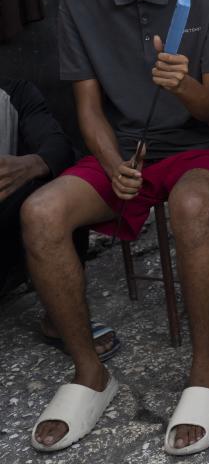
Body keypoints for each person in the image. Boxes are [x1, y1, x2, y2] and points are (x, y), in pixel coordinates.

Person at [20, 0, 209, 455]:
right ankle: (90, 373)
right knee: (40, 214)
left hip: (195, 147)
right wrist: (111, 160)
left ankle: (207, 374)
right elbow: (88, 107)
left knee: (192, 208)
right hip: (123, 150)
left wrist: (184, 85)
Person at [0, 78, 121, 360]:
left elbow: (57, 144)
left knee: (63, 180)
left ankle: (59, 319)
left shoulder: (14, 91)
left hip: (4, 248)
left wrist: (32, 165)